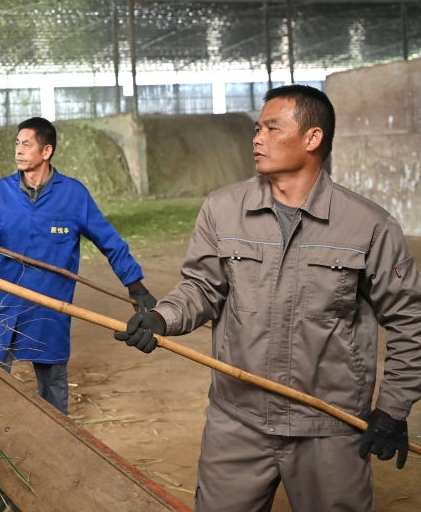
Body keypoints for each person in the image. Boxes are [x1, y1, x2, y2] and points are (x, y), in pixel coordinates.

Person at [115, 84, 421, 511]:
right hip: (237, 421)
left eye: (271, 128)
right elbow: (202, 287)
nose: (257, 138)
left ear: (312, 138)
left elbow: (410, 321)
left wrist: (393, 409)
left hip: (329, 427)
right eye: (257, 128)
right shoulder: (222, 209)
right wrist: (162, 317)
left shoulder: (368, 226)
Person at [0, 116, 156, 414]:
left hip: (49, 304)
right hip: (4, 302)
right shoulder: (0, 193)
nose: (18, 150)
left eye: (26, 144)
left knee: (52, 382)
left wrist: (135, 285)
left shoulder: (74, 195)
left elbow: (110, 242)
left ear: (46, 151)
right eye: (17, 143)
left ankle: (59, 439)